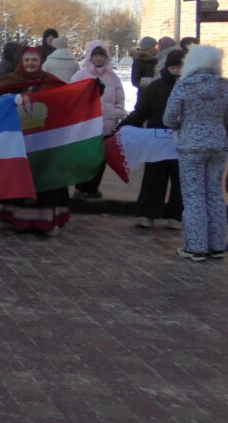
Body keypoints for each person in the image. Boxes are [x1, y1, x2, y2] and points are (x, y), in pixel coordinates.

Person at [0, 47, 69, 235]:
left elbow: (70, 96)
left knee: (44, 179)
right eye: (27, 60)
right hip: (19, 140)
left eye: (34, 60)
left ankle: (47, 221)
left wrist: (92, 89)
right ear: (21, 61)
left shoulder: (50, 82)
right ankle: (16, 218)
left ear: (40, 61)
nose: (30, 63)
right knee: (20, 176)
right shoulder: (13, 80)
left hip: (44, 141)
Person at [163, 45, 228, 261]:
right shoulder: (224, 86)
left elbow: (169, 118)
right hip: (218, 144)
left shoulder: (184, 85)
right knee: (215, 193)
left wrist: (183, 125)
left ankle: (196, 246)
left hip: (191, 145)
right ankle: (218, 244)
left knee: (193, 195)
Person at [118, 49, 184, 229]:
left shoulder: (190, 88)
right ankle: (147, 213)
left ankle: (176, 216)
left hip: (183, 141)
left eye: (180, 67)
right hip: (158, 139)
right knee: (154, 178)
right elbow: (142, 111)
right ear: (167, 67)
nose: (176, 71)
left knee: (181, 180)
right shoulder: (156, 87)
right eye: (173, 67)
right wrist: (126, 124)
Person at [70, 40, 125, 199]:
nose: (99, 58)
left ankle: (93, 188)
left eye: (102, 55)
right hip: (86, 125)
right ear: (90, 56)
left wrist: (117, 112)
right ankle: (81, 187)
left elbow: (120, 97)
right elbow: (71, 96)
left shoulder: (113, 77)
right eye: (96, 55)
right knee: (86, 158)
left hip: (106, 125)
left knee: (101, 159)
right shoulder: (80, 75)